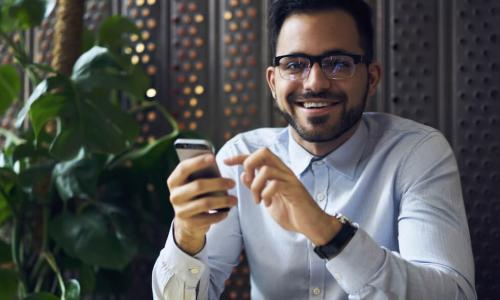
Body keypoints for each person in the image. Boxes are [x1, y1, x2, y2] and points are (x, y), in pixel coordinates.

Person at [152, 0, 476, 299]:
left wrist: (325, 230)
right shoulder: (241, 160)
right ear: (273, 82)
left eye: (338, 63)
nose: (315, 83)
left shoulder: (417, 154)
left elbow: (455, 294)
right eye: (294, 65)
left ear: (372, 77)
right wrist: (187, 237)